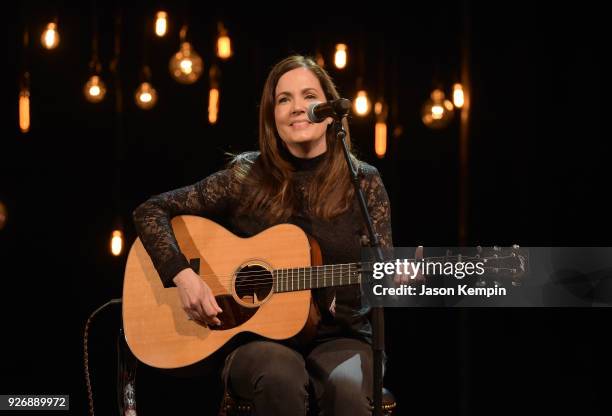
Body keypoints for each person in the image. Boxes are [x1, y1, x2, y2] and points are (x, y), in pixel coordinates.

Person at [133, 55, 393, 415]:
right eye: (284, 99)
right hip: (256, 341)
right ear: (272, 116)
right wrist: (184, 276)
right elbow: (150, 211)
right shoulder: (246, 176)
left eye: (308, 96)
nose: (297, 108)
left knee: (346, 390)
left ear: (331, 110)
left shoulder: (362, 181)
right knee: (278, 377)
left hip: (342, 339)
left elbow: (383, 276)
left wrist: (392, 279)